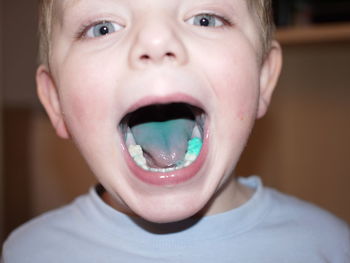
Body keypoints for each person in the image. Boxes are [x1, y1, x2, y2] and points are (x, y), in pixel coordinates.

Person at [2, 0, 349, 262]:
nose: (155, 42)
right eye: (103, 27)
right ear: (55, 100)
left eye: (205, 19)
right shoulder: (28, 252)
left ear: (263, 79)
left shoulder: (329, 248)